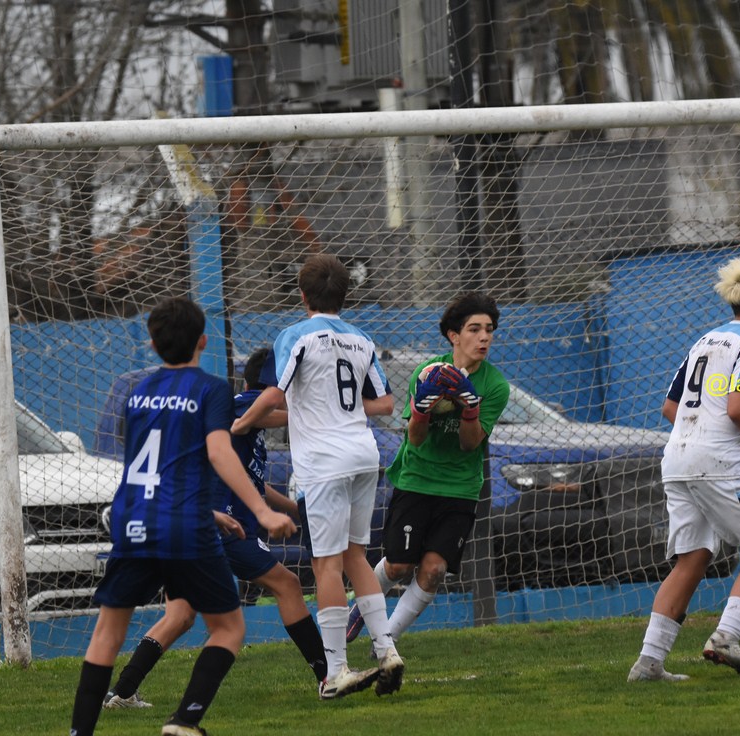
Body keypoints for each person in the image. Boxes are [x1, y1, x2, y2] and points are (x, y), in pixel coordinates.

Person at [53, 297, 297, 736]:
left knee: (107, 633)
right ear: (203, 341)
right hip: (183, 526)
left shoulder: (136, 393)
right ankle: (186, 719)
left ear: (151, 342)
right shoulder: (210, 390)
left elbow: (154, 466)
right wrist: (259, 512)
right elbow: (219, 454)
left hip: (134, 520)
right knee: (227, 627)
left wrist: (206, 513)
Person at [102, 348, 365, 707]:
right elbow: (254, 415)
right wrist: (312, 409)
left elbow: (253, 482)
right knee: (287, 585)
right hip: (223, 529)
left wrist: (293, 510)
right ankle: (327, 676)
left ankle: (122, 690)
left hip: (197, 527)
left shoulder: (246, 428)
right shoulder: (246, 402)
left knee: (179, 616)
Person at [231, 254, 404, 696]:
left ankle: (336, 673)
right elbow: (385, 405)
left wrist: (241, 423)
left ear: (303, 294)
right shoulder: (361, 338)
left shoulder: (295, 335)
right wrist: (340, 406)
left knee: (325, 564)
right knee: (356, 557)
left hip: (325, 461)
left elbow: (274, 391)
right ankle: (386, 650)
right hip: (364, 455)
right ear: (344, 295)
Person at [628, 258, 740, 683]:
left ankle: (649, 662)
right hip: (720, 463)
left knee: (692, 558)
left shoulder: (704, 340)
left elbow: (672, 407)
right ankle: (726, 637)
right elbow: (738, 408)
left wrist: (739, 411)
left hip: (677, 458)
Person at [345, 292, 510, 646]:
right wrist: (422, 409)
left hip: (460, 488)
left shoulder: (495, 385)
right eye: (475, 329)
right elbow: (415, 439)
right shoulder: (428, 372)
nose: (484, 337)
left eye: (489, 330)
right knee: (398, 567)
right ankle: (357, 610)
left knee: (434, 570)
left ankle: (384, 643)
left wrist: (468, 407)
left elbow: (470, 444)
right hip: (417, 480)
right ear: (454, 335)